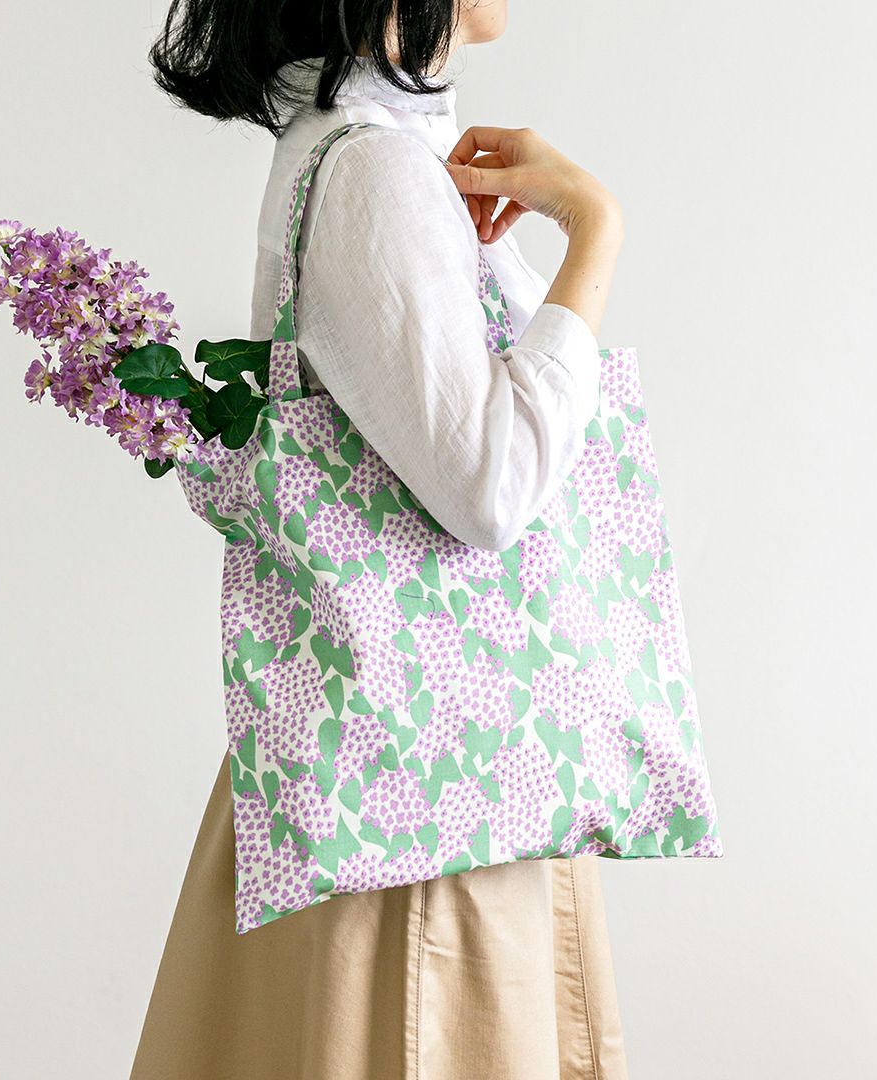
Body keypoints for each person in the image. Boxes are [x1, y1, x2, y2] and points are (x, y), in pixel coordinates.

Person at [130, 2, 629, 1078]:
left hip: (425, 772)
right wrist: (594, 231)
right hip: (430, 812)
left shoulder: (371, 152)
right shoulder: (374, 171)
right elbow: (493, 484)